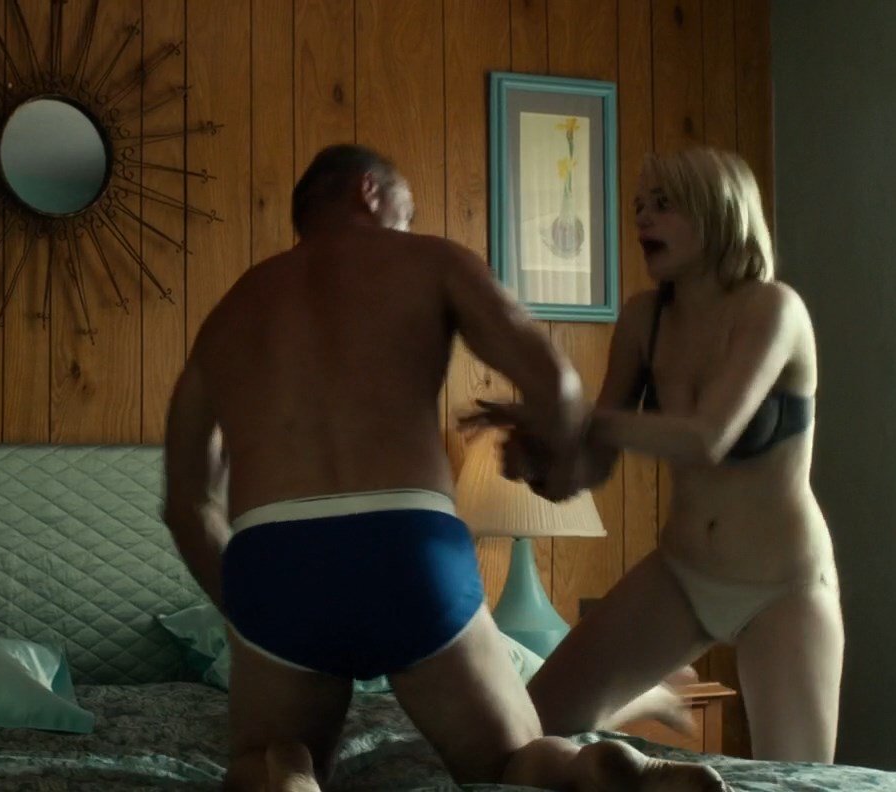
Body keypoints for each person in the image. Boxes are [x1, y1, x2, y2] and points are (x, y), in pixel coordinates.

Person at [161, 143, 727, 791]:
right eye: (408, 210)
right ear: (369, 191)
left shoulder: (227, 314)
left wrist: (254, 610)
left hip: (273, 555)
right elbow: (557, 384)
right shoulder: (431, 261)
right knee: (512, 759)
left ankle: (283, 772)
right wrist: (551, 463)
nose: (408, 225)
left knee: (264, 752)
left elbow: (186, 506)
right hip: (406, 545)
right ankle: (588, 768)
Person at [469, 146, 842, 764]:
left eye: (663, 205)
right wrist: (540, 462)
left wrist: (571, 417)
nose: (642, 218)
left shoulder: (772, 309)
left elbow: (706, 438)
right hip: (683, 572)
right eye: (639, 205)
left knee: (801, 778)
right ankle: (645, 697)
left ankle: (643, 696)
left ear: (717, 212)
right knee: (526, 733)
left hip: (784, 583)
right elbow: (594, 464)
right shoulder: (645, 318)